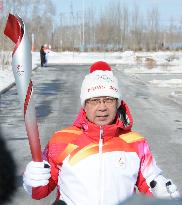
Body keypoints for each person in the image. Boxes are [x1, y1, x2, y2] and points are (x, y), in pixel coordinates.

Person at [23, 61, 180, 205]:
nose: (102, 107)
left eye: (109, 100)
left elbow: (151, 181)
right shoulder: (62, 140)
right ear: (84, 105)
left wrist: (161, 192)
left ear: (118, 103)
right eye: (94, 100)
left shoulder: (135, 143)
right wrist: (33, 181)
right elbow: (39, 192)